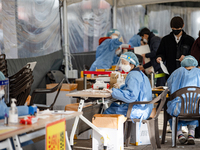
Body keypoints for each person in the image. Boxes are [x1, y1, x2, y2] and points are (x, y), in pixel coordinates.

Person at [103, 52, 153, 120]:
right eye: (122, 63)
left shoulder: (133, 76)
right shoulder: (140, 74)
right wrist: (121, 87)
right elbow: (134, 88)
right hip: (145, 109)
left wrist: (113, 92)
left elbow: (131, 96)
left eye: (124, 63)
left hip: (137, 110)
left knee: (108, 112)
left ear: (132, 65)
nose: (122, 65)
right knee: (114, 106)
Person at [167, 55, 200, 145]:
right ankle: (191, 134)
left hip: (178, 108)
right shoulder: (199, 72)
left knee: (170, 110)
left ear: (183, 63)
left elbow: (169, 86)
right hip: (196, 109)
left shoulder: (176, 72)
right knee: (194, 109)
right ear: (195, 64)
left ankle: (179, 134)